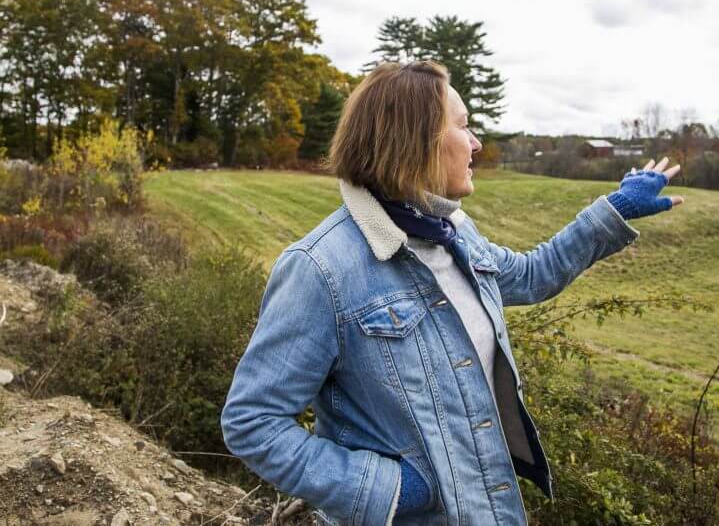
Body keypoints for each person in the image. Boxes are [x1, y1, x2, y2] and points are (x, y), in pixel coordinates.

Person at [221, 61, 683, 525]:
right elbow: (253, 421)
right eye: (463, 126)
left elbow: (529, 274)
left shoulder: (454, 234)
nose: (477, 142)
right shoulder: (321, 269)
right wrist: (387, 489)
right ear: (415, 141)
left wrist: (612, 211)